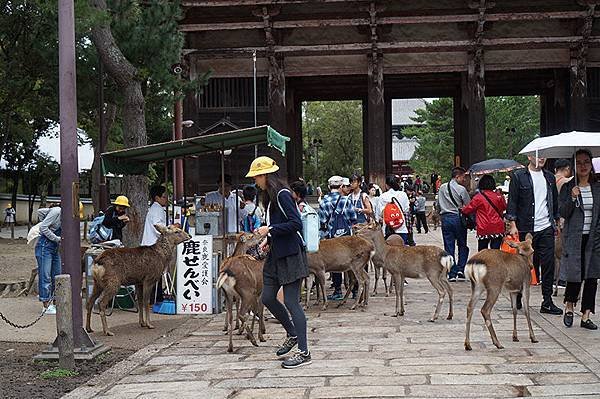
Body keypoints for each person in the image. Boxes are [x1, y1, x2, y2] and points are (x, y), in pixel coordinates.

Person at [246, 156, 312, 368]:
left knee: (292, 302)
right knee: (267, 297)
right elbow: (280, 226)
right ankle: (292, 334)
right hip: (276, 254)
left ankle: (304, 352)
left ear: (264, 176)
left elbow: (295, 224)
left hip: (291, 255)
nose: (255, 181)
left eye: (256, 177)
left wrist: (270, 230)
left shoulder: (283, 194)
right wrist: (269, 239)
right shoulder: (269, 196)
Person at [506, 154, 562, 315]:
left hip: (546, 226)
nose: (541, 158)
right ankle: (518, 294)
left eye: (544, 155)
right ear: (530, 156)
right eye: (537, 155)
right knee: (523, 265)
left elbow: (554, 202)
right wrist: (513, 224)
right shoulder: (519, 177)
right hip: (526, 226)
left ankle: (547, 301)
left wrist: (556, 221)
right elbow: (513, 202)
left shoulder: (549, 177)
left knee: (548, 263)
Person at [559, 149, 600, 329]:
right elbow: (563, 212)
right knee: (575, 274)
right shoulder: (568, 187)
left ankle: (586, 315)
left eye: (586, 162)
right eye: (579, 162)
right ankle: (569, 307)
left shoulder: (597, 187)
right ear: (574, 166)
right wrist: (572, 197)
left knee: (591, 277)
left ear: (591, 165)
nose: (583, 166)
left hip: (593, 238)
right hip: (574, 237)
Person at [318, 175, 357, 300]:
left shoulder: (324, 201)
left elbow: (322, 221)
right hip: (347, 238)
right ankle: (355, 290)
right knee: (351, 262)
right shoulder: (346, 200)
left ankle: (338, 290)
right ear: (341, 186)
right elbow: (353, 219)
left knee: (334, 262)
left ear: (329, 187)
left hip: (331, 238)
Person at [436, 167, 471, 282]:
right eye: (463, 177)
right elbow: (468, 205)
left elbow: (438, 205)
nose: (464, 179)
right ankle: (461, 269)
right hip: (458, 218)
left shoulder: (442, 188)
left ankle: (451, 272)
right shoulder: (461, 189)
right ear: (457, 177)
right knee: (462, 244)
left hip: (445, 218)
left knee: (448, 246)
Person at [461, 175, 507, 251]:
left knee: (482, 252)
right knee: (495, 251)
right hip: (498, 227)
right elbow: (504, 207)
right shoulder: (499, 196)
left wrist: (461, 209)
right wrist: (500, 194)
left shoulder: (478, 197)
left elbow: (467, 209)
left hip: (484, 228)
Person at [142, 185, 169, 303]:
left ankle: (155, 298)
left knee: (154, 274)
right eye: (164, 197)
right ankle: (154, 298)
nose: (166, 199)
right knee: (154, 273)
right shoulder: (157, 208)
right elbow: (157, 225)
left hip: (151, 244)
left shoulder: (156, 208)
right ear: (157, 198)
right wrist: (170, 230)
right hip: (152, 245)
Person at [36, 202, 61, 314]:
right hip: (45, 246)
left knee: (57, 275)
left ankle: (56, 302)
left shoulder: (65, 217)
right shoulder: (57, 211)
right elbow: (43, 228)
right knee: (45, 275)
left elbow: (40, 212)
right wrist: (56, 238)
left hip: (55, 247)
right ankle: (46, 304)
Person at [377, 174, 410, 243]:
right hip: (401, 227)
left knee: (390, 252)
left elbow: (380, 213)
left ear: (386, 185)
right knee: (401, 251)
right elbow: (406, 209)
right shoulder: (403, 194)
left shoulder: (383, 196)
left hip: (388, 229)